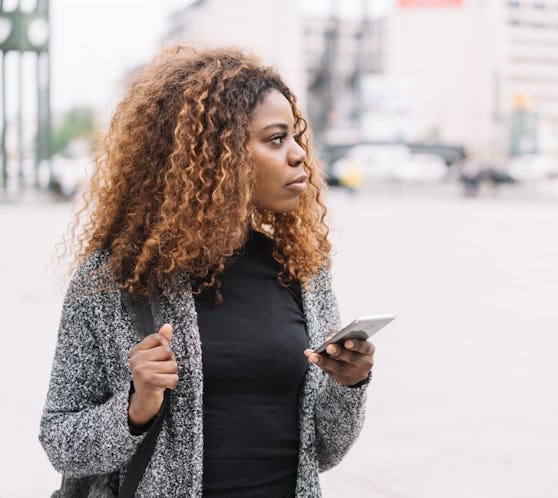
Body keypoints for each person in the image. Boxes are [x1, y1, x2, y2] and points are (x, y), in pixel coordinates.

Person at [39, 45, 375, 497]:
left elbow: (323, 450)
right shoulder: (113, 280)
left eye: (297, 137)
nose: (300, 156)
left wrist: (348, 384)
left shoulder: (301, 271)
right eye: (276, 139)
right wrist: (135, 408)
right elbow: (61, 441)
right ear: (218, 153)